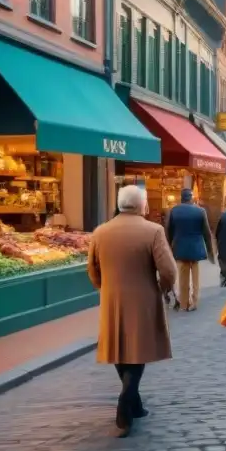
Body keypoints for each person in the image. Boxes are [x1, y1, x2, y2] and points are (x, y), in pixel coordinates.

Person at [88, 184, 177, 437]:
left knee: (119, 349)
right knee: (138, 351)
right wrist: (162, 288)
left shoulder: (100, 232)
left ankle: (134, 405)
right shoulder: (153, 231)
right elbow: (169, 270)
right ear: (142, 205)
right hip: (144, 298)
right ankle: (125, 403)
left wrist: (105, 288)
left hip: (112, 298)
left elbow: (92, 270)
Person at [166, 188, 215, 311]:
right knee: (195, 276)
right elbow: (207, 233)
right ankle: (194, 301)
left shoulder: (173, 211)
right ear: (191, 197)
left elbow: (168, 231)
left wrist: (168, 247)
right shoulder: (200, 211)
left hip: (180, 247)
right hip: (196, 248)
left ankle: (184, 303)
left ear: (181, 197)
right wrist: (210, 252)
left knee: (182, 276)